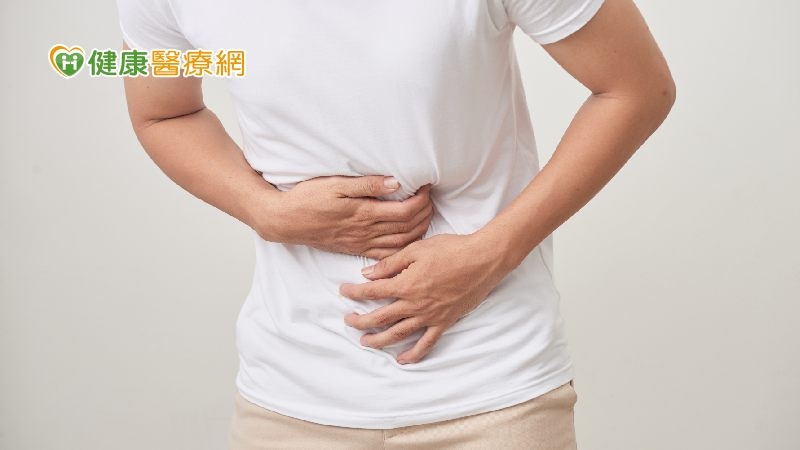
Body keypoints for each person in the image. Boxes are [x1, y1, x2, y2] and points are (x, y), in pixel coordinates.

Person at [116, 0, 675, 448]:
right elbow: (164, 112)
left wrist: (490, 254)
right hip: (290, 398)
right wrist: (267, 211)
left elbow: (636, 87)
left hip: (494, 389)